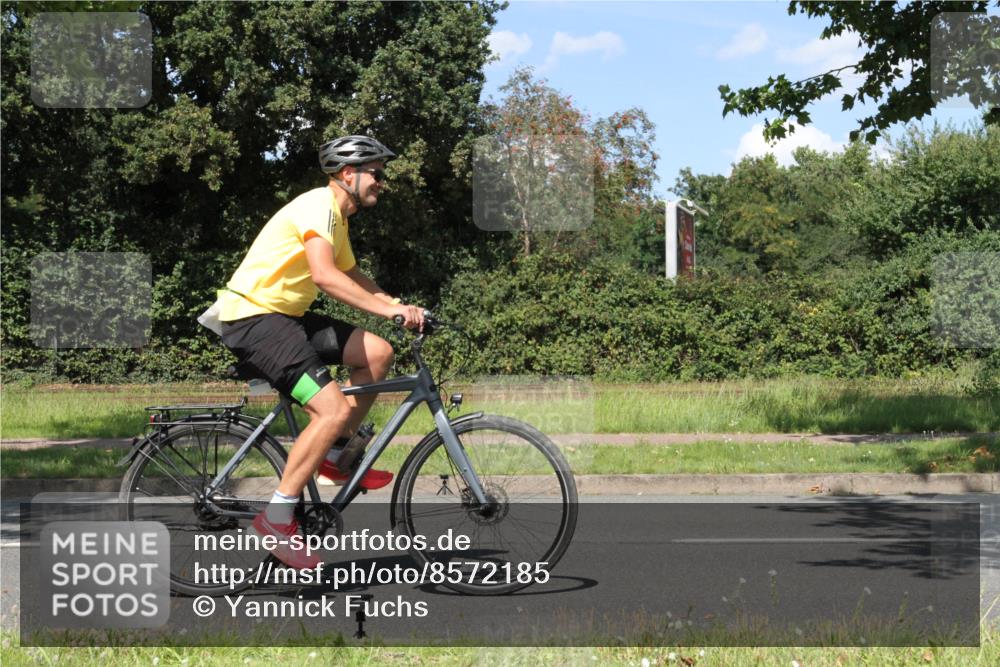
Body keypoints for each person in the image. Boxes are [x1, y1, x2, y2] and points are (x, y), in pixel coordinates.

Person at [217, 135, 424, 568]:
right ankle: (277, 519)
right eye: (376, 173)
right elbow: (326, 277)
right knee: (329, 410)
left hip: (284, 316)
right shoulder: (318, 205)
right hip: (254, 317)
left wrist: (395, 305)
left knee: (377, 354)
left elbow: (350, 272)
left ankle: (334, 456)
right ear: (349, 175)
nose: (381, 182)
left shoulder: (338, 219)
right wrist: (390, 312)